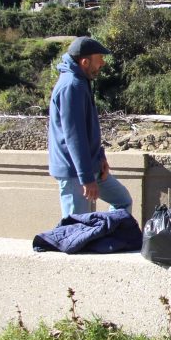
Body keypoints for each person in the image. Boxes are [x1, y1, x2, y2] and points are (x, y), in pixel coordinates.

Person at [47, 36, 132, 218]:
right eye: (99, 58)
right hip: (74, 173)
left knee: (122, 200)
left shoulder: (81, 81)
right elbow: (74, 136)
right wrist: (86, 178)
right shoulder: (71, 86)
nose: (103, 63)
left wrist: (100, 158)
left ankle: (112, 242)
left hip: (91, 167)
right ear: (85, 62)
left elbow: (88, 129)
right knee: (77, 227)